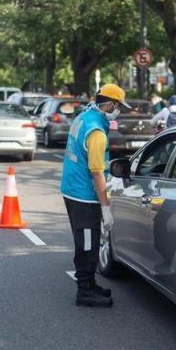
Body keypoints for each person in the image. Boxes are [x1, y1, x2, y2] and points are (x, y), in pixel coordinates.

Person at [61, 83, 131, 307]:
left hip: (72, 188)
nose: (119, 110)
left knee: (85, 242)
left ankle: (90, 284)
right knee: (89, 245)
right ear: (109, 103)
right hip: (84, 195)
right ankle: (84, 291)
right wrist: (106, 207)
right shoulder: (97, 132)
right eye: (118, 105)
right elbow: (97, 173)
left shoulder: (85, 116)